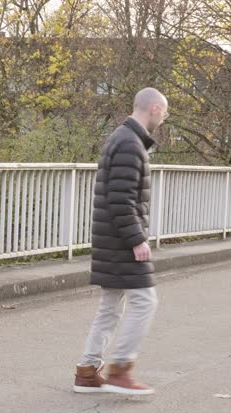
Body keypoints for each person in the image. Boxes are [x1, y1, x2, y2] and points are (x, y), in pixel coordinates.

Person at [73, 88, 168, 396]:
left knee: (111, 306)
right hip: (120, 241)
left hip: (110, 239)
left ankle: (88, 371)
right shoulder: (129, 144)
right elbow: (120, 198)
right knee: (145, 301)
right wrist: (137, 239)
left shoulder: (122, 138)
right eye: (163, 114)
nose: (163, 120)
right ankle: (120, 370)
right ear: (153, 108)